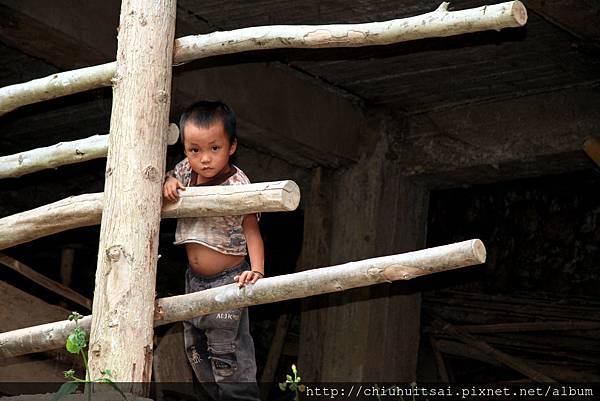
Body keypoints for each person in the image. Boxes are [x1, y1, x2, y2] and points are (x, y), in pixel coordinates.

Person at [163, 101, 263, 401]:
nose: (204, 159)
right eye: (195, 150)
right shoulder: (184, 171)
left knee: (227, 354)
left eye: (214, 148)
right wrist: (167, 182)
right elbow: (166, 179)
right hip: (193, 282)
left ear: (232, 146)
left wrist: (256, 269)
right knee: (197, 350)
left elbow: (251, 230)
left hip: (230, 279)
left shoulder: (238, 183)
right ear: (185, 149)